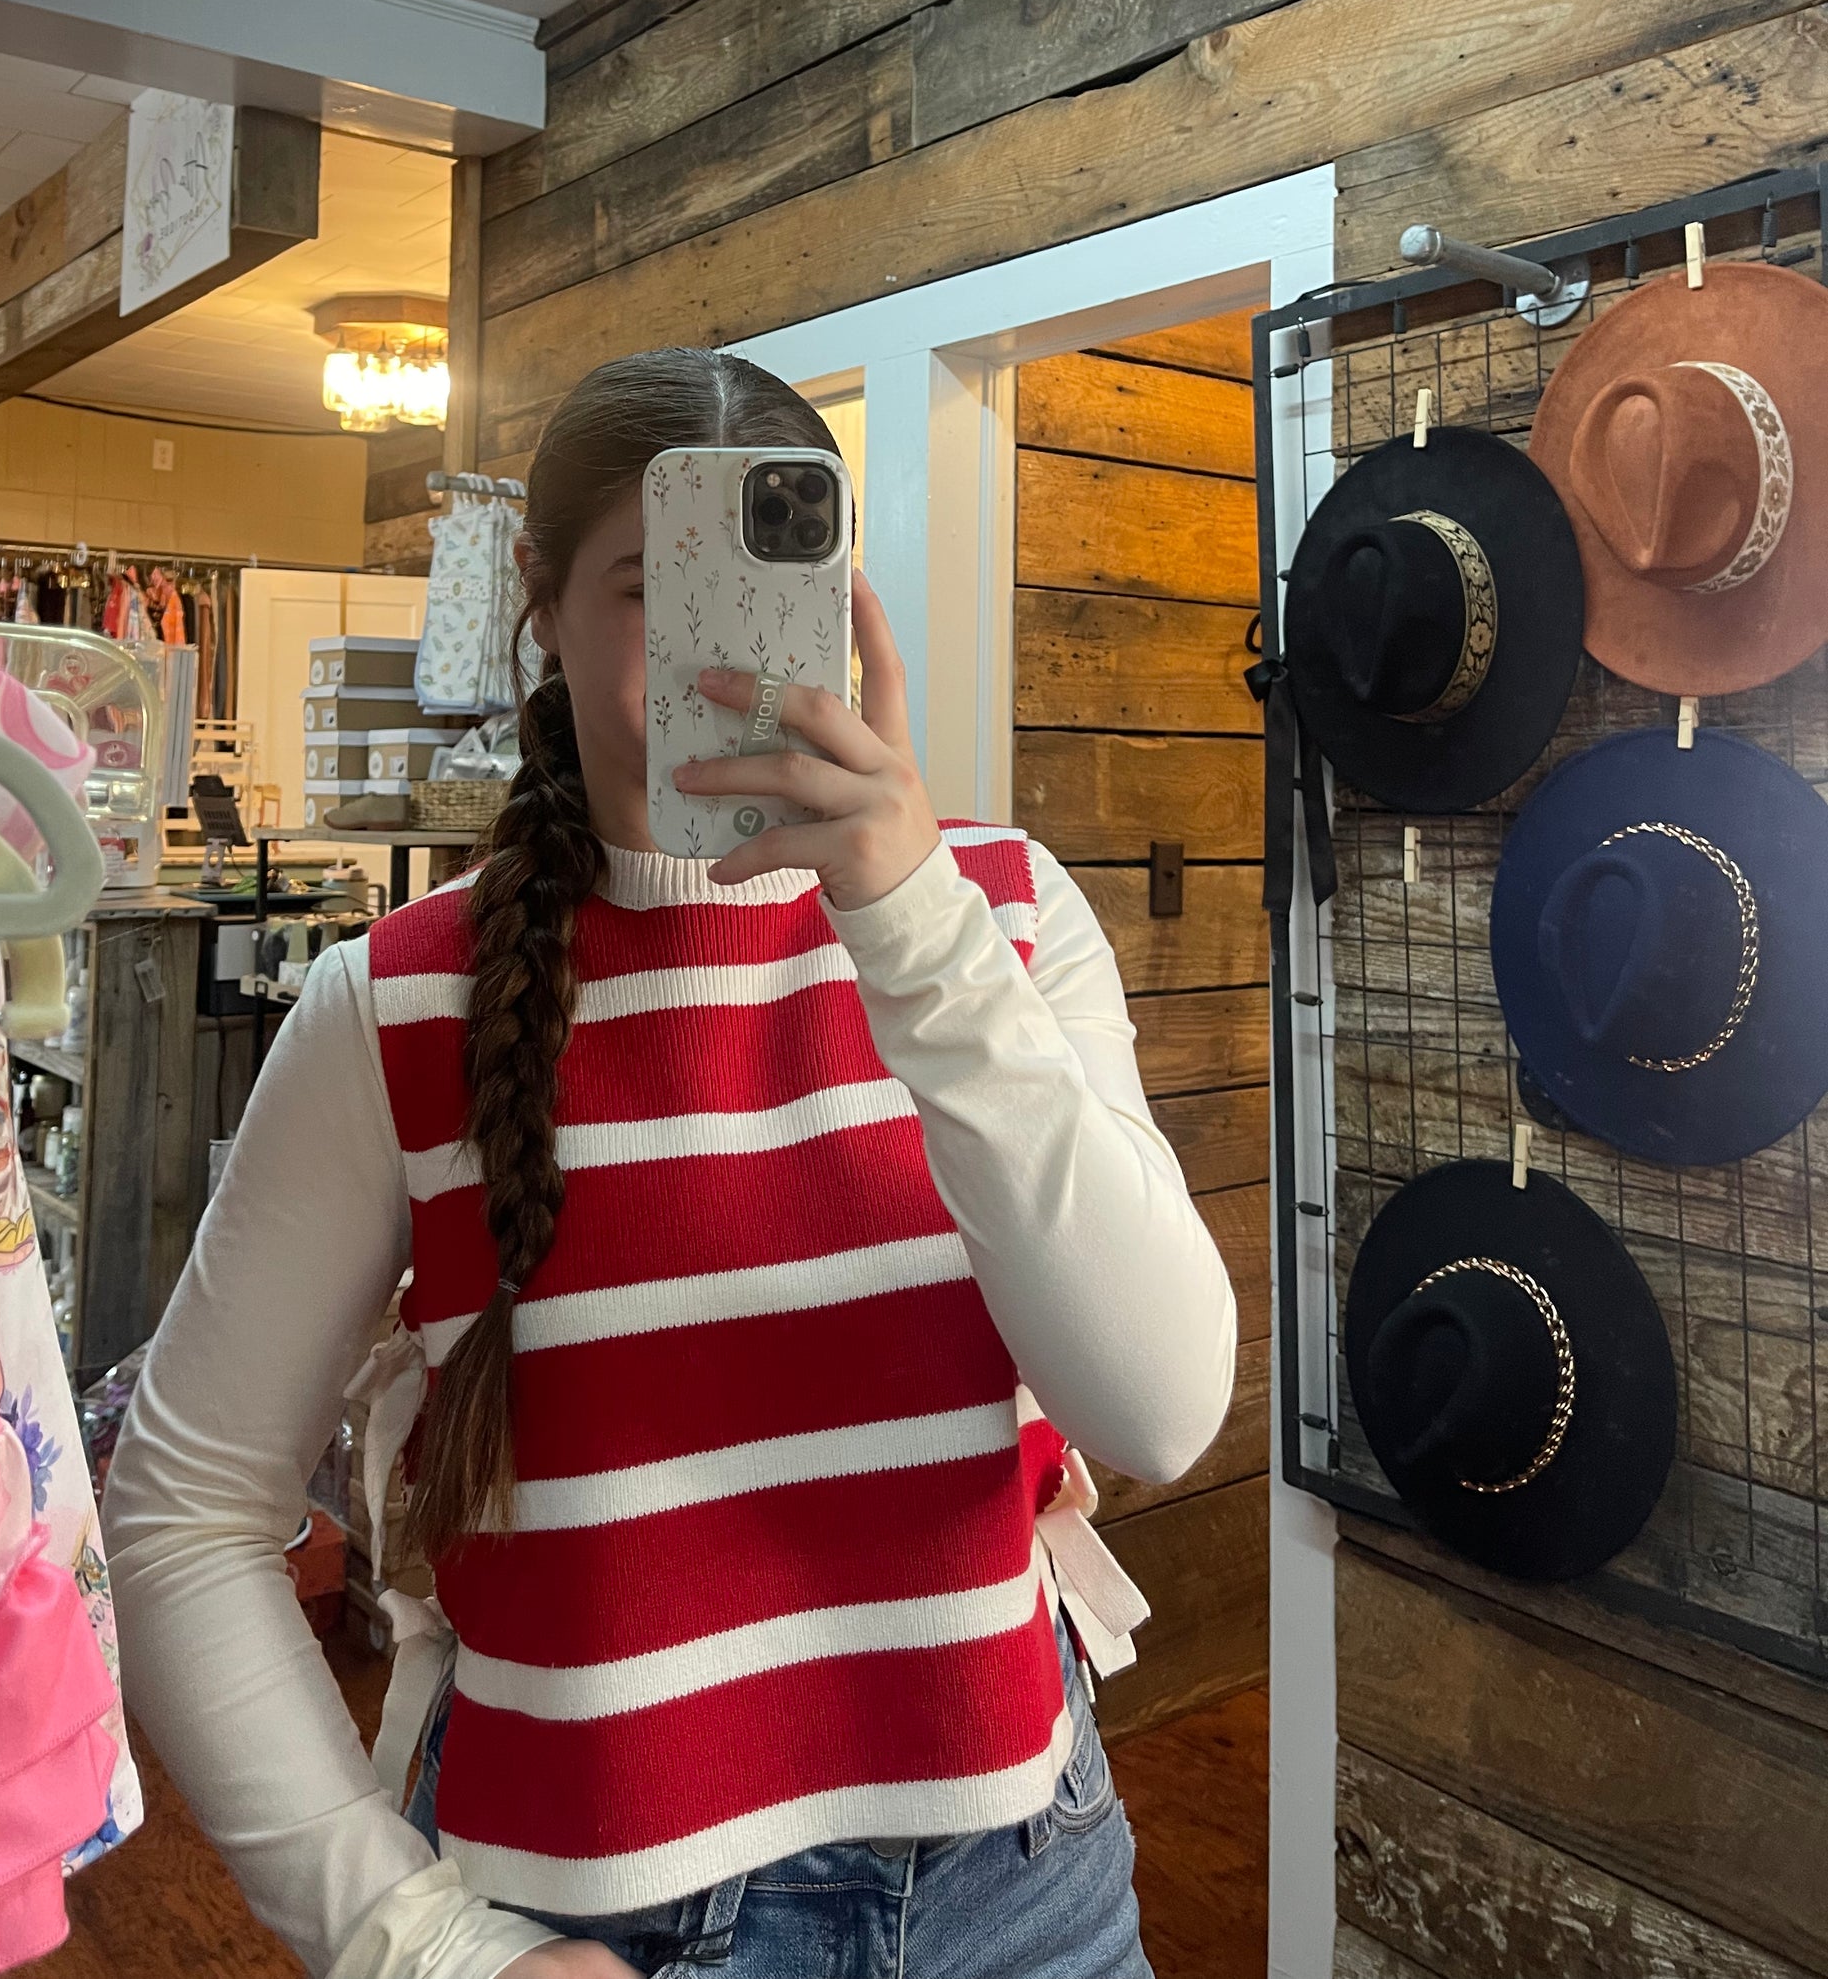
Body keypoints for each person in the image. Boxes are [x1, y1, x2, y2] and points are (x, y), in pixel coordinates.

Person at [106, 349, 1237, 1979]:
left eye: (774, 588)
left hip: (1026, 1890)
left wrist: (910, 926)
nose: (721, 653)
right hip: (601, 1922)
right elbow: (183, 1515)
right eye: (651, 590)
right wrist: (415, 1945)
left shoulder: (998, 913)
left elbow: (1159, 1410)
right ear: (543, 607)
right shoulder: (395, 1003)